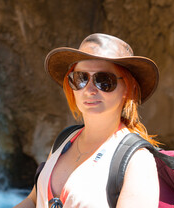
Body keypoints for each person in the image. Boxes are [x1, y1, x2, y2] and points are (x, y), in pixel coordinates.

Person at [14, 33, 160, 208]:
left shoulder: (138, 161)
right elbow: (34, 199)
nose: (89, 89)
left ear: (128, 89)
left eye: (104, 81)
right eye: (81, 78)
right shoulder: (65, 140)